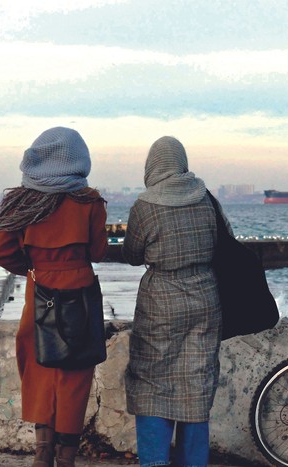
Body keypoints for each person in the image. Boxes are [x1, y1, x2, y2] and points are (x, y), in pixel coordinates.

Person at [0, 127, 108, 467]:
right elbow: (98, 251)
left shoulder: (20, 201)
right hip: (81, 295)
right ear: (78, 160)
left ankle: (42, 453)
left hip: (39, 291)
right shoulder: (89, 200)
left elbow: (0, 251)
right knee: (75, 373)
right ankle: (66, 456)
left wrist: (33, 269)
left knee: (39, 369)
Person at [122, 136, 229, 467]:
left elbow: (131, 254)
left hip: (161, 301)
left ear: (152, 165)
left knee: (152, 381)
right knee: (196, 384)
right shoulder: (206, 198)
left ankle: (154, 461)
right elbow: (223, 239)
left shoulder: (145, 205)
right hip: (205, 297)